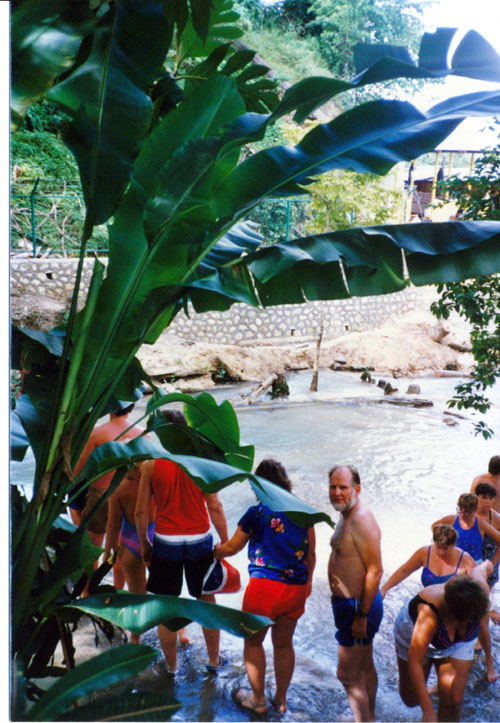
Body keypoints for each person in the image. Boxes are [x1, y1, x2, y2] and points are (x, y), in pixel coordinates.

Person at [214, 459, 315, 715]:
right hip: (295, 589)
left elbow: (232, 547)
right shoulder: (304, 512)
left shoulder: (256, 513)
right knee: (284, 645)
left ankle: (258, 700)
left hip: (264, 589)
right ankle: (281, 701)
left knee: (253, 643)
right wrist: (308, 583)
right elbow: (311, 553)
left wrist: (214, 552)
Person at [135, 410, 228, 673]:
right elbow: (215, 505)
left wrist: (144, 544)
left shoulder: (152, 464)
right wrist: (225, 540)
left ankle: (172, 667)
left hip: (166, 541)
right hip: (200, 539)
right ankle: (213, 661)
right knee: (206, 600)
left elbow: (140, 512)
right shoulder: (200, 461)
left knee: (167, 607)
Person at [394, 561, 492, 722]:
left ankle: (442, 690)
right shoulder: (429, 613)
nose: (464, 625)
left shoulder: (480, 590)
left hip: (459, 645)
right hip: (412, 631)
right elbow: (415, 660)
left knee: (453, 701)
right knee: (412, 699)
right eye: (461, 622)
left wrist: (490, 660)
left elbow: (484, 566)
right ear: (450, 612)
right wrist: (427, 711)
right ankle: (430, 693)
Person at [104, 461, 189, 646]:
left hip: (130, 543)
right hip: (159, 539)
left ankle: (135, 641)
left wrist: (107, 554)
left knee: (137, 600)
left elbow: (112, 526)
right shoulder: (156, 481)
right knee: (168, 595)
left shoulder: (118, 488)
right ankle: (181, 633)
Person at [328, 465, 383, 723]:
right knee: (364, 666)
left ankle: (365, 721)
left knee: (347, 675)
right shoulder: (347, 514)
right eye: (333, 486)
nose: (337, 492)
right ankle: (368, 716)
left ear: (356, 489)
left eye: (343, 487)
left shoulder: (361, 518)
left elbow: (375, 570)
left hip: (359, 605)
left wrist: (361, 615)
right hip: (352, 604)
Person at [433, 493, 500, 683]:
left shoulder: (480, 523)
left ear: (474, 511)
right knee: (450, 615)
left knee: (481, 620)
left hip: (474, 571)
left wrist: (492, 563)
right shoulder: (450, 520)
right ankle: (448, 662)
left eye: (468, 513)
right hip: (455, 570)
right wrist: (440, 550)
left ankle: (490, 663)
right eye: (461, 511)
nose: (464, 515)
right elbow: (435, 527)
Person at [381, 525, 475, 599]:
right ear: (433, 542)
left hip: (452, 607)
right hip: (427, 602)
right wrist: (385, 588)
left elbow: (478, 589)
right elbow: (404, 571)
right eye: (438, 547)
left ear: (454, 544)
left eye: (445, 549)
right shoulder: (425, 552)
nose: (441, 552)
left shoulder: (466, 560)